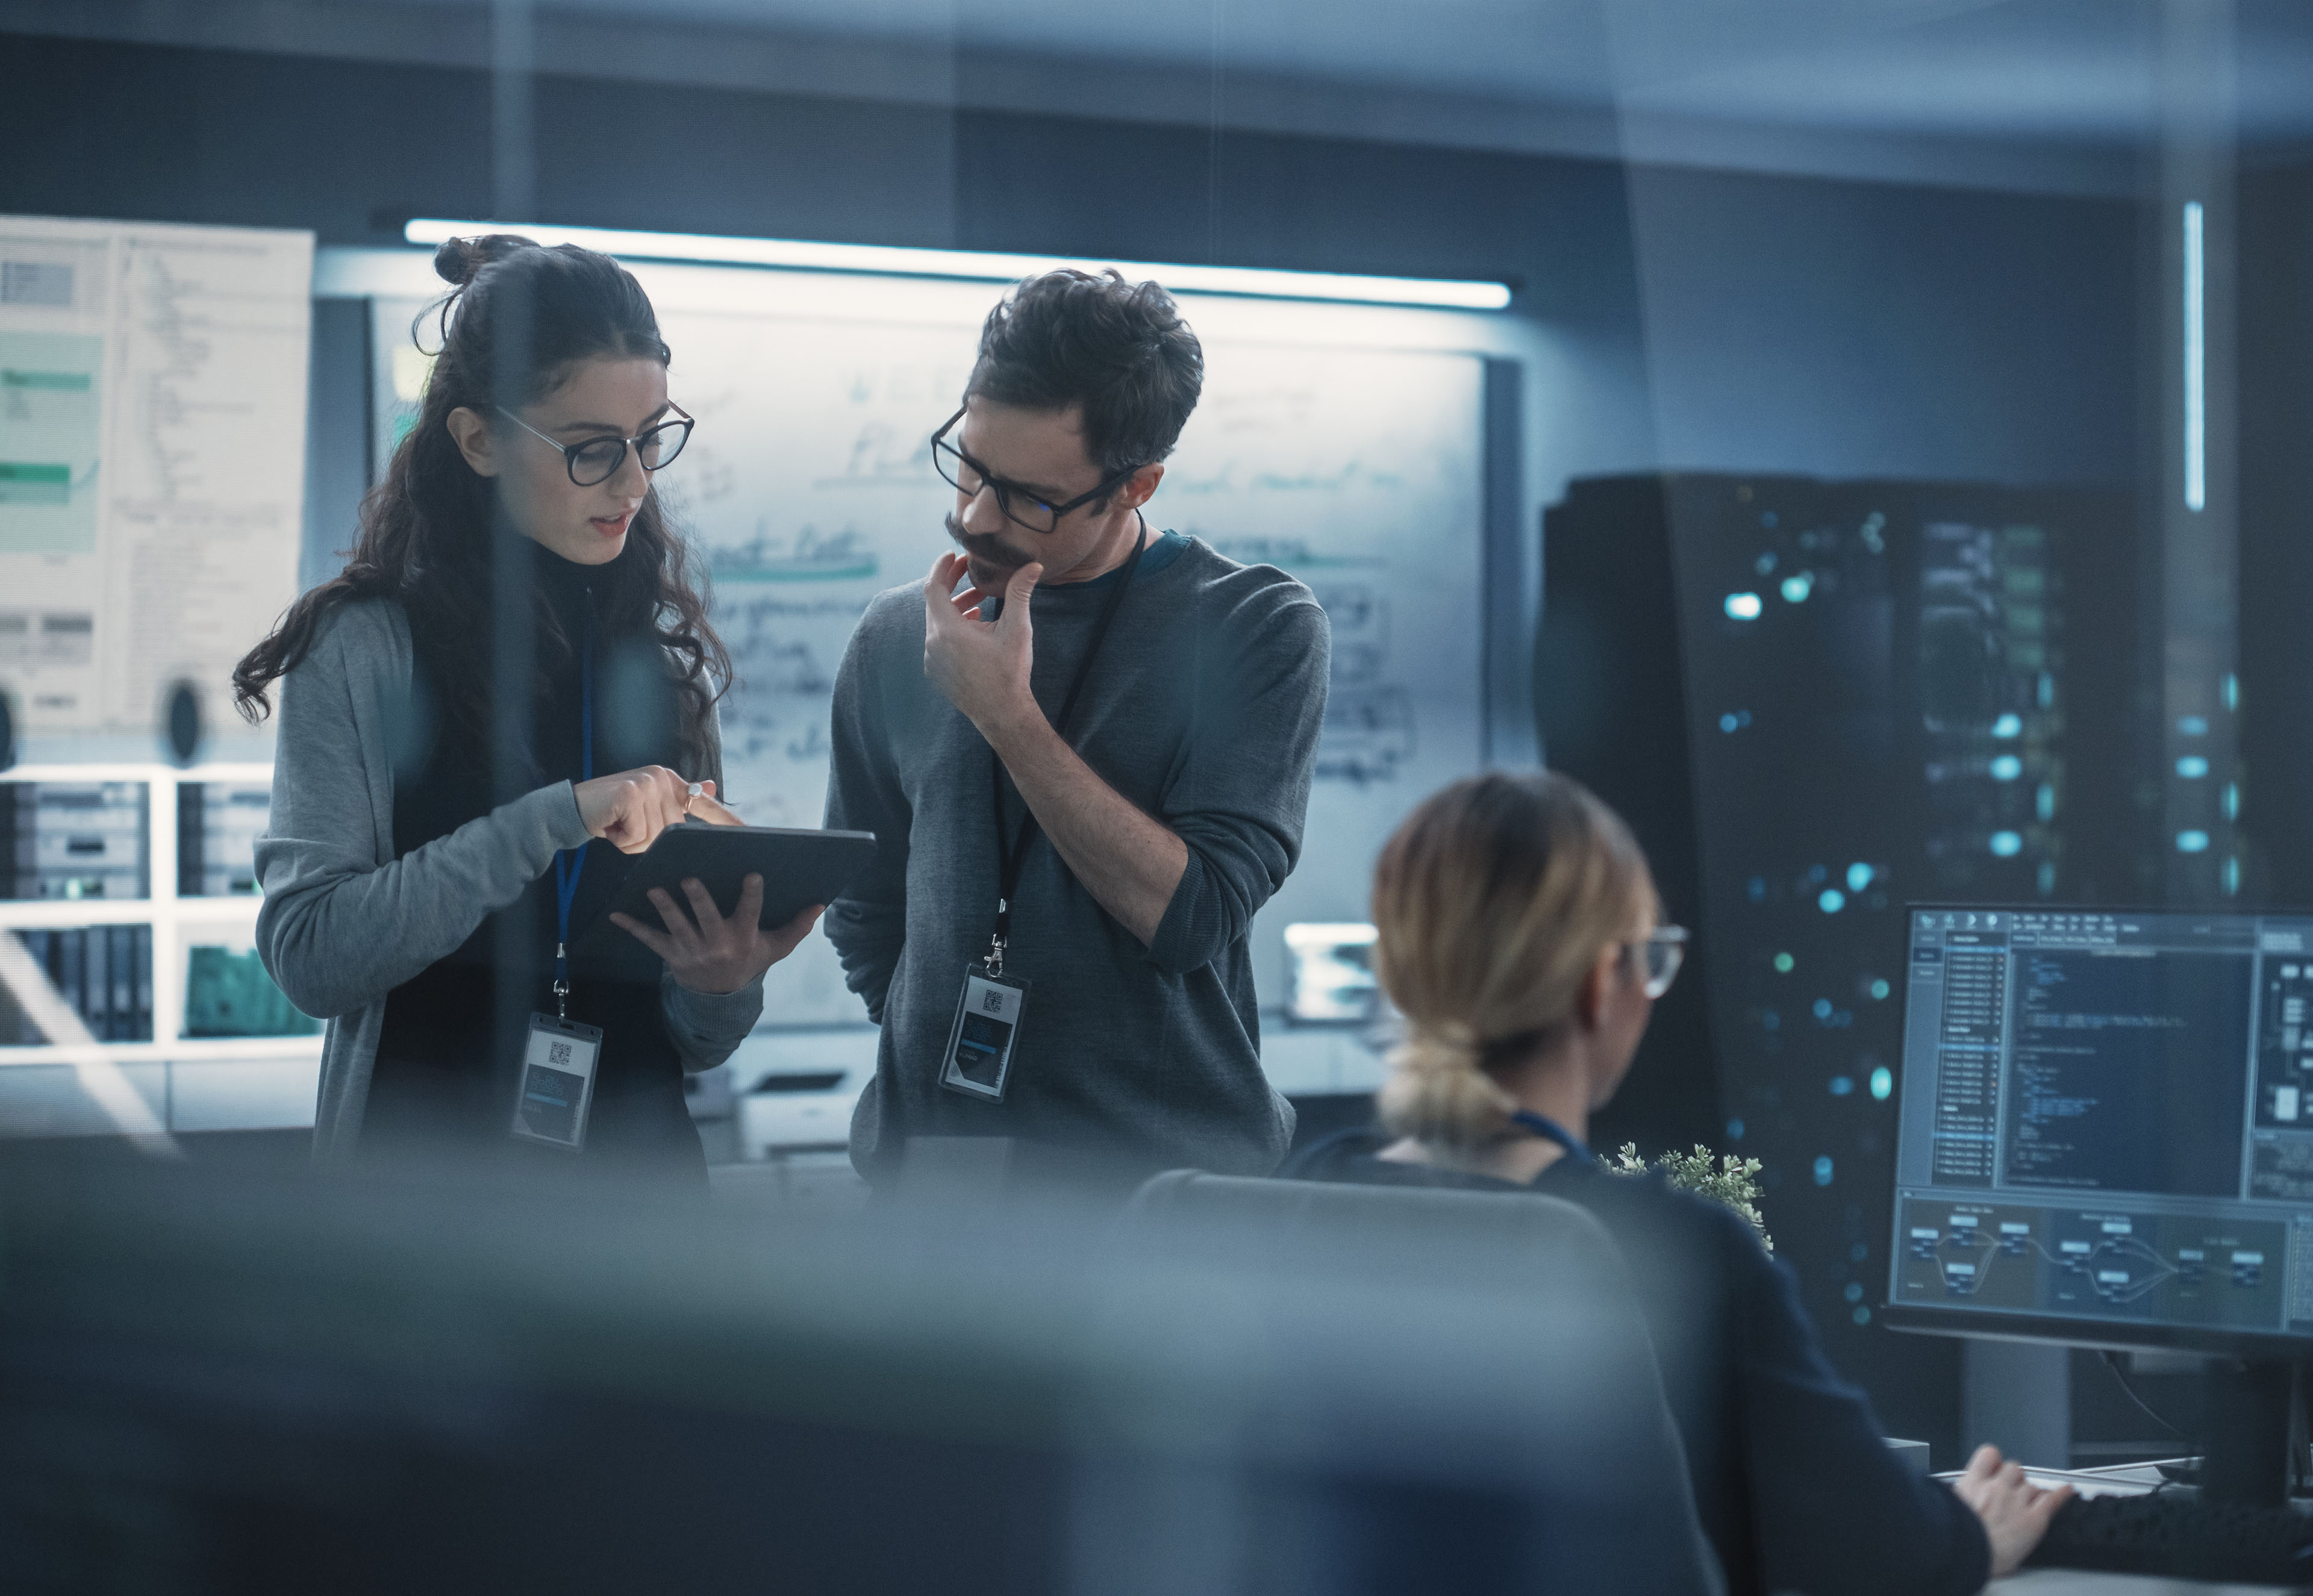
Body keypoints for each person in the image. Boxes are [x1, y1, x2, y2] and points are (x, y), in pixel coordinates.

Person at [1285, 771, 2069, 1595]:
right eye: (1650, 960)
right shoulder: (1676, 1254)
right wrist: (1969, 1535)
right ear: (1601, 983)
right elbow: (1882, 1549)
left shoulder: (1309, 1197)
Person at [237, 234, 819, 1177]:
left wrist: (722, 982)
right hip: (417, 1205)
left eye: (651, 438)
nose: (635, 482)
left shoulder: (658, 654)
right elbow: (313, 957)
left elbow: (697, 1042)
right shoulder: (366, 647)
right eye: (591, 450)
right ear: (478, 440)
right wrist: (559, 818)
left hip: (641, 1210)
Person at [825, 269, 1331, 1185]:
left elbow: (1195, 916)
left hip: (1159, 1197)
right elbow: (863, 901)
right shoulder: (900, 633)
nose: (975, 515)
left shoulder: (1255, 627)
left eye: (1030, 498)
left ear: (1137, 485)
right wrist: (934, 1046)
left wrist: (1006, 715)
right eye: (969, 465)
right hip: (931, 1189)